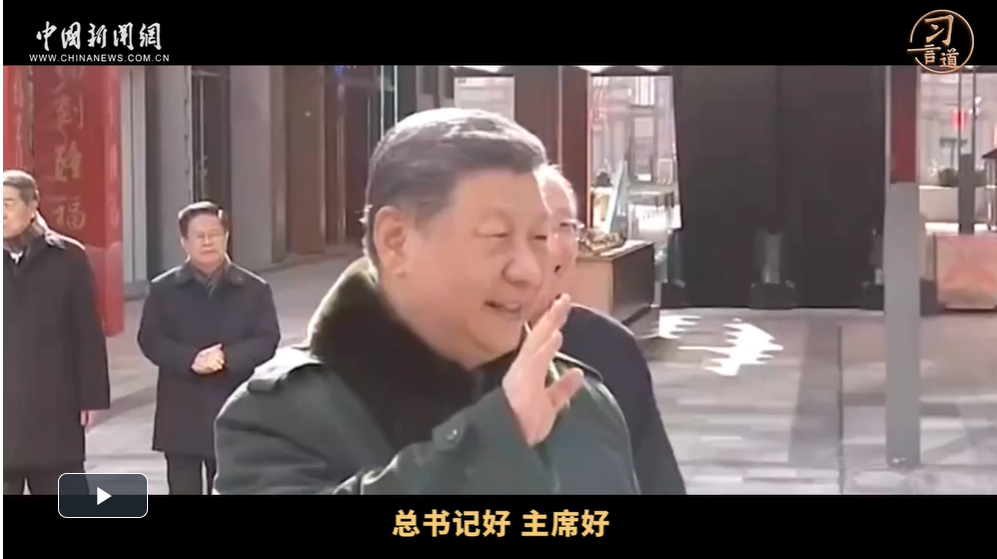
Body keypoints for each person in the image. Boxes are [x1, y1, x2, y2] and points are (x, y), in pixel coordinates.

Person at [214, 108, 640, 495]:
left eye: (540, 237)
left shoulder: (583, 401)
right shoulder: (279, 418)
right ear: (396, 240)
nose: (528, 270)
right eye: (497, 235)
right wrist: (492, 442)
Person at [533, 165, 687, 494]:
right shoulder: (448, 351)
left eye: (564, 226)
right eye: (538, 228)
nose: (555, 246)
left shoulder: (609, 346)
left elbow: (657, 478)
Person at [137, 201, 280, 495]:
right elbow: (150, 339)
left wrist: (227, 357)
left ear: (226, 237)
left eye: (214, 234)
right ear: (184, 242)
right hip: (181, 410)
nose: (207, 242)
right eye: (199, 236)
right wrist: (189, 359)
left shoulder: (253, 288)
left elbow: (267, 339)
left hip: (234, 407)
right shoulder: (164, 289)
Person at [3, 170, 110, 495]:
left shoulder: (67, 256)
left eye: (8, 204)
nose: (1, 213)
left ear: (32, 205)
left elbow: (87, 330)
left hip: (54, 403)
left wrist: (91, 396)